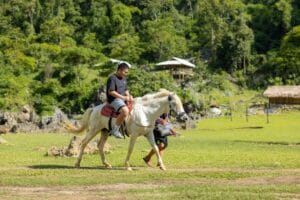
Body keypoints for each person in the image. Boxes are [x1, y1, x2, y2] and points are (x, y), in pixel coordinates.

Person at [106, 61, 133, 139]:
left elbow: (126, 89)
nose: (126, 74)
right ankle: (115, 130)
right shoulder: (112, 78)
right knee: (125, 111)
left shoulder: (124, 78)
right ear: (120, 70)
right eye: (125, 72)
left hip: (122, 99)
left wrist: (129, 96)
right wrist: (124, 97)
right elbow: (111, 92)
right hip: (114, 100)